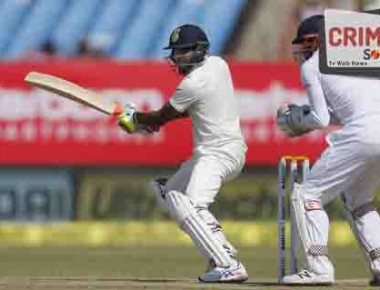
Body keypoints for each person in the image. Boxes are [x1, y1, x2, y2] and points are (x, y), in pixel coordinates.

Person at [117, 24, 248, 283]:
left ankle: (229, 264)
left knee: (190, 203)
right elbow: (185, 112)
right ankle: (220, 250)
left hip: (217, 154)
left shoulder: (193, 82)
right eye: (175, 53)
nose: (177, 58)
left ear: (199, 51)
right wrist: (144, 122)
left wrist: (134, 119)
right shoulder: (219, 64)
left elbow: (162, 116)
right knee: (168, 192)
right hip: (223, 152)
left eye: (182, 52)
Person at [277, 15, 380, 286]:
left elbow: (321, 120)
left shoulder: (312, 66)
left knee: (307, 194)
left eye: (305, 43)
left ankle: (318, 267)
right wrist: (304, 114)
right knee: (359, 199)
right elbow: (344, 111)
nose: (302, 50)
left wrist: (296, 121)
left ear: (314, 41)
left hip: (364, 133)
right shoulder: (361, 60)